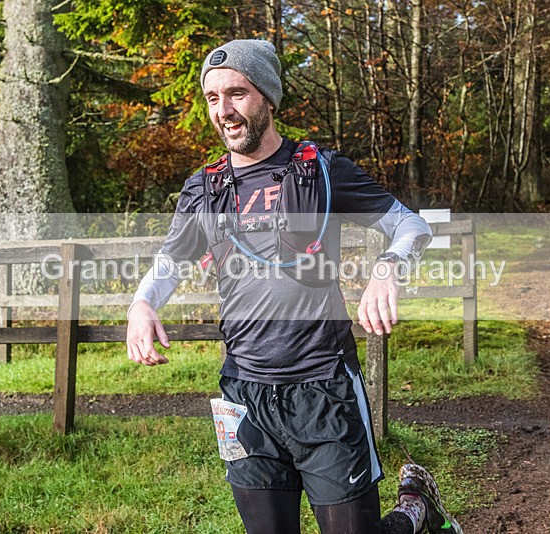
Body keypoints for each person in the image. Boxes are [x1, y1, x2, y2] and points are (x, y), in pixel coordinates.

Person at [126, 39, 462, 534]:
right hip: (244, 395)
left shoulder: (322, 171)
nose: (224, 111)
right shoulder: (205, 187)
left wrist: (387, 270)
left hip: (324, 388)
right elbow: (171, 260)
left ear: (267, 97)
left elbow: (411, 225)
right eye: (213, 98)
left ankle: (416, 509)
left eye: (237, 94)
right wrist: (141, 304)